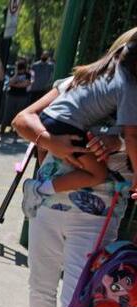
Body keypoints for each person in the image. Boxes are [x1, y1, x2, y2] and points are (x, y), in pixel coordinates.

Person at [4, 28, 137, 307]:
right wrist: (53, 140)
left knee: (78, 293)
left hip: (100, 209)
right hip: (50, 201)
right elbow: (23, 120)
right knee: (40, 279)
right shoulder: (79, 81)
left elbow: (131, 137)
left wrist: (114, 143)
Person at [20, 34, 137, 197]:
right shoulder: (123, 86)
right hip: (58, 197)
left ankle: (41, 188)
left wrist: (119, 143)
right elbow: (22, 120)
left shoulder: (99, 78)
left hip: (101, 202)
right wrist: (50, 142)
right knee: (98, 174)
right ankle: (39, 189)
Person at [0, 58, 31, 140]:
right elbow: (9, 83)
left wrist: (15, 84)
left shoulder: (27, 74)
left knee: (19, 115)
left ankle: (16, 133)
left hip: (22, 97)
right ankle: (1, 132)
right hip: (11, 96)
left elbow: (25, 84)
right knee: (7, 114)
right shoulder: (13, 73)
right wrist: (16, 75)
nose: (20, 70)